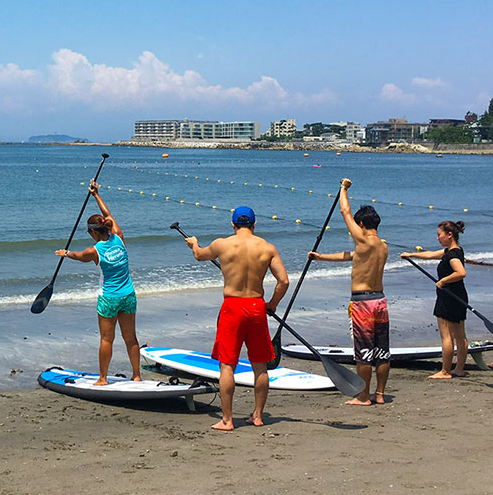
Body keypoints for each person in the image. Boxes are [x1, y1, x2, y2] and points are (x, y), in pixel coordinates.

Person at [184, 206, 289, 430]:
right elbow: (284, 282)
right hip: (256, 307)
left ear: (233, 224)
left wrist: (193, 243)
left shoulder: (223, 244)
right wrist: (272, 304)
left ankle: (227, 420)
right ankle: (258, 416)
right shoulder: (267, 247)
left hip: (232, 307)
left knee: (227, 366)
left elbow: (199, 255)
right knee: (260, 367)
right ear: (254, 224)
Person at [308, 178, 390, 405]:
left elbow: (345, 211)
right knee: (382, 351)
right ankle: (380, 394)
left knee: (364, 353)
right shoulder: (382, 246)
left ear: (362, 224)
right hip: (380, 302)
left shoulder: (363, 238)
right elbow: (352, 256)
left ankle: (363, 396)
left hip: (363, 304)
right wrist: (321, 257)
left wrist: (343, 189)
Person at [56, 179, 140, 386]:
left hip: (109, 299)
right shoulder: (119, 237)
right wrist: (96, 195)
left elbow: (78, 255)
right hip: (128, 295)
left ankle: (102, 378)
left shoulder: (94, 251)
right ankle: (137, 375)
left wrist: (65, 253)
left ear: (94, 232)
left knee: (106, 339)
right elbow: (108, 214)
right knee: (131, 338)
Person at [401, 221, 468, 379]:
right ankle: (458, 369)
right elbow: (430, 254)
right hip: (459, 295)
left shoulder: (451, 254)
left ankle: (445, 371)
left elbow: (461, 272)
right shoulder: (455, 250)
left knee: (447, 336)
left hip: (449, 297)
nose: (437, 238)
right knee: (460, 335)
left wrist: (443, 281)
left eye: (439, 234)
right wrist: (410, 255)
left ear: (449, 235)